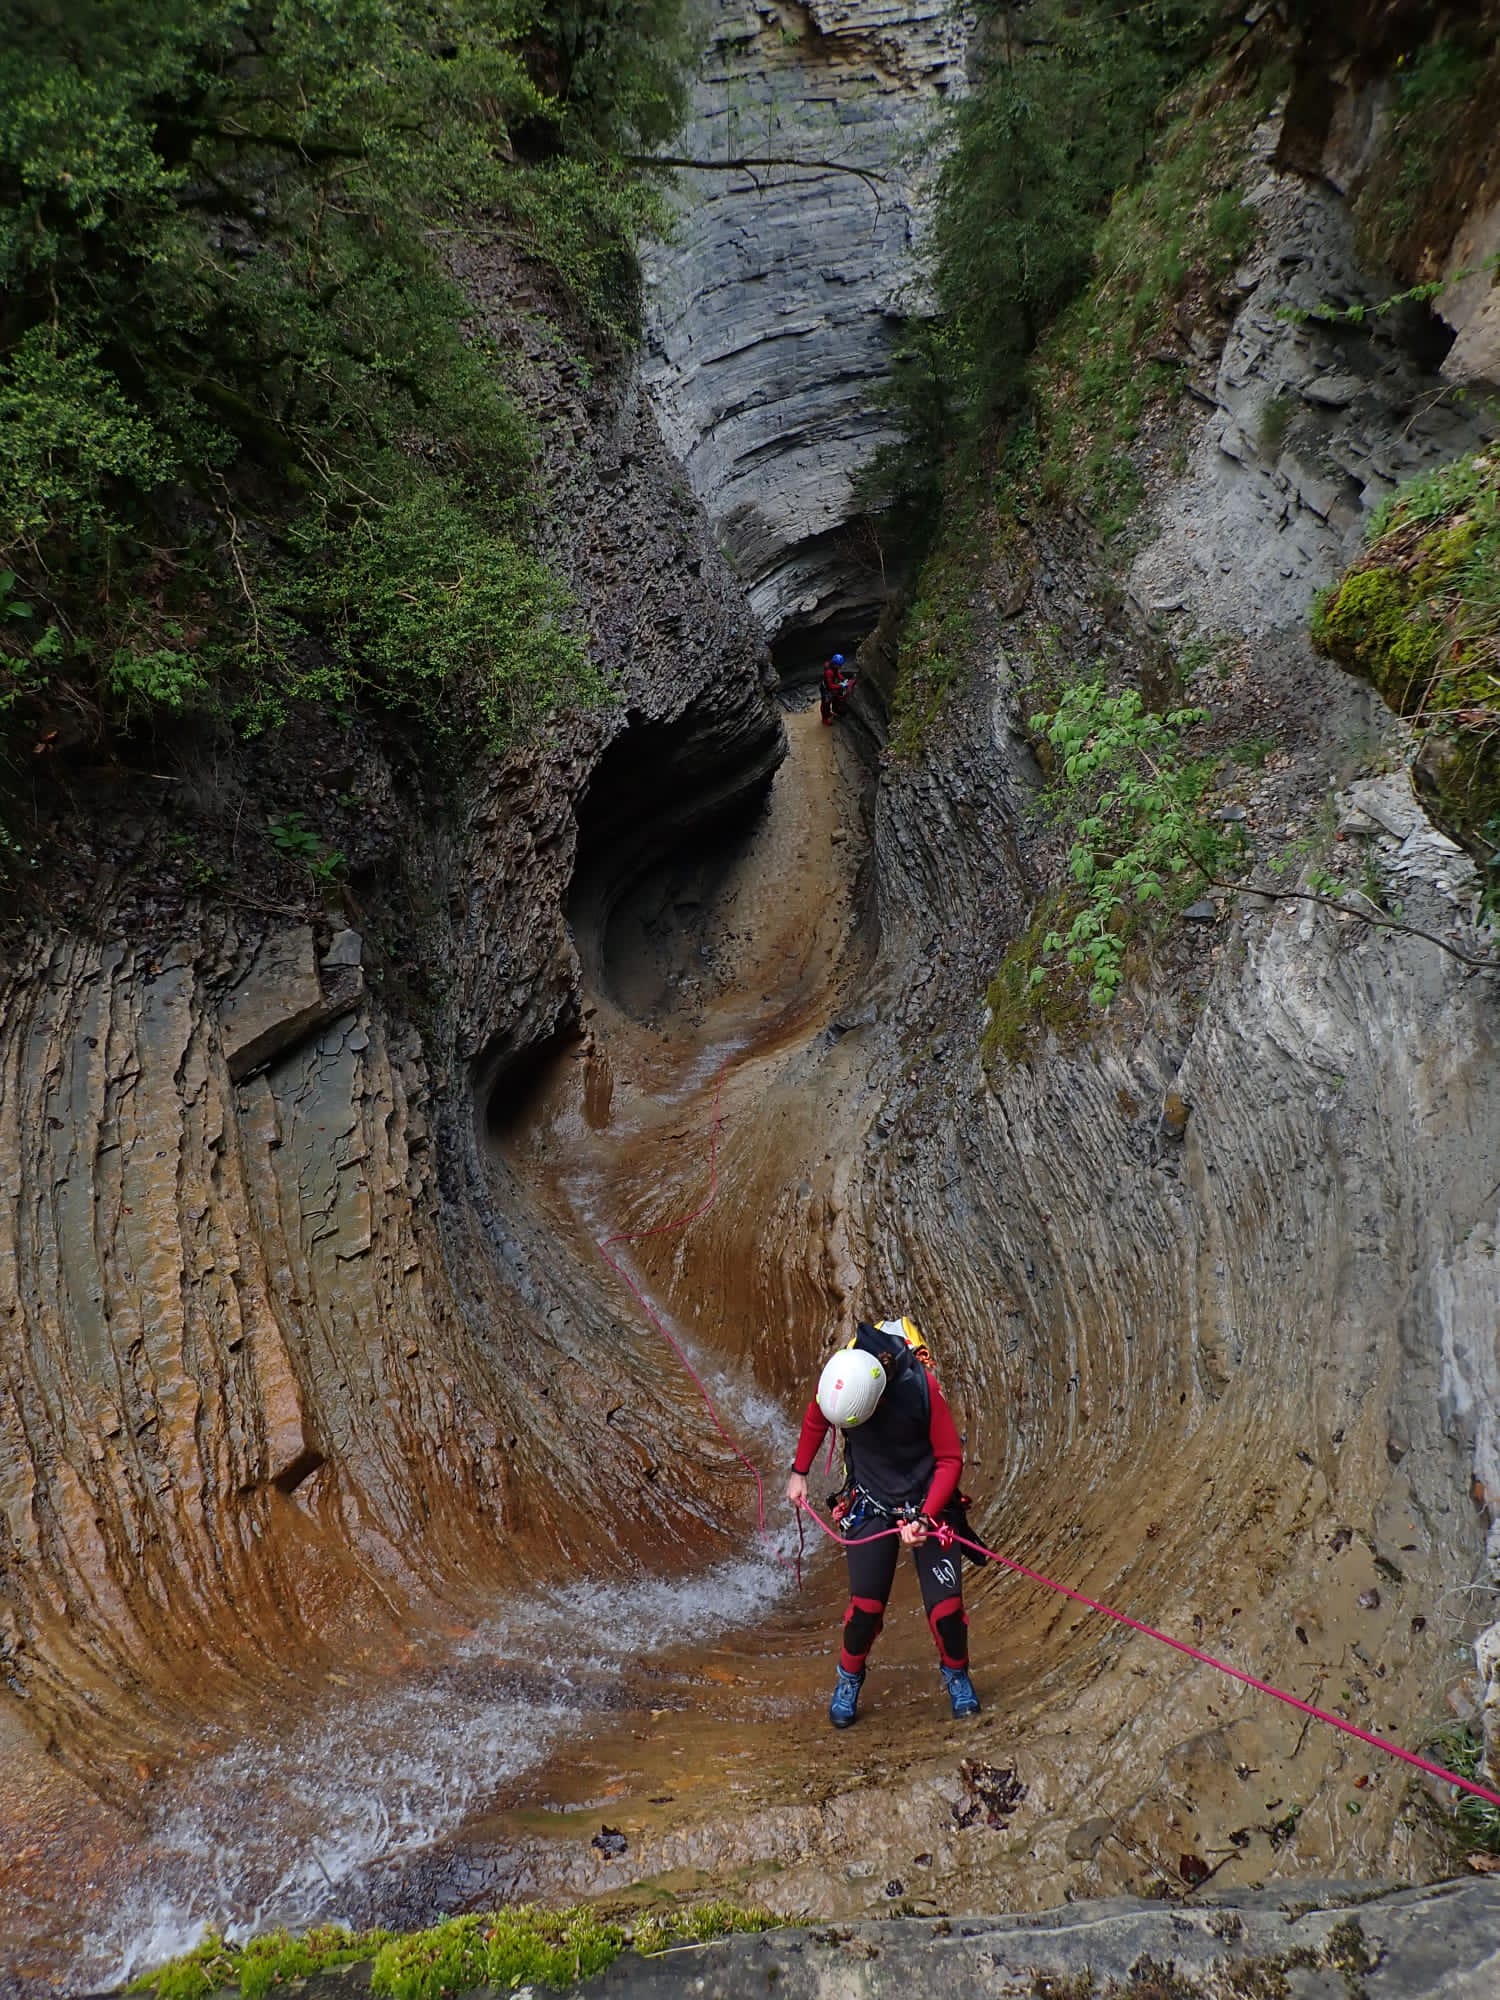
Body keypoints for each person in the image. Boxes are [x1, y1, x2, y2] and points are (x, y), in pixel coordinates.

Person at [786, 1317, 981, 1728]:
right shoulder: (844, 1372)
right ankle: (849, 1678)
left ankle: (957, 1677)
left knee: (946, 1611)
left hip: (928, 1498)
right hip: (870, 1499)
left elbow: (949, 1459)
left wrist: (927, 1517)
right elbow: (818, 1416)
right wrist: (798, 1472)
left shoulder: (921, 1390)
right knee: (865, 1609)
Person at [819, 653, 855, 724]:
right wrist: (841, 685)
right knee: (825, 705)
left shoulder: (833, 667)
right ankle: (824, 719)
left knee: (833, 700)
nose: (840, 666)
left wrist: (843, 679)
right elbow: (830, 686)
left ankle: (830, 712)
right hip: (826, 690)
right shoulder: (829, 672)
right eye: (840, 665)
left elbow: (837, 674)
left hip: (829, 688)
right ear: (835, 664)